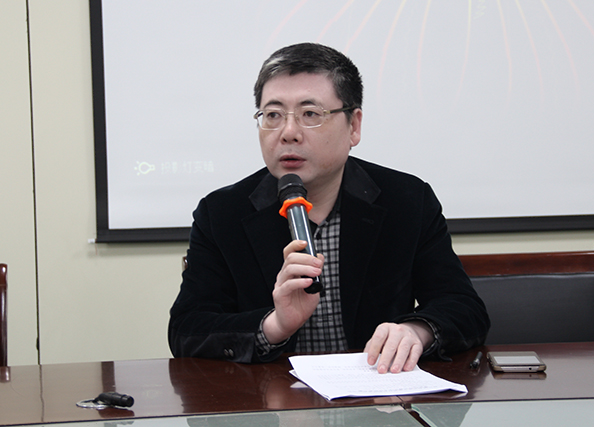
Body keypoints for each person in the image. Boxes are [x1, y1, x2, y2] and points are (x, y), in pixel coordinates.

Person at [169, 42, 489, 373]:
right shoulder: (222, 213)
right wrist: (274, 325)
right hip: (271, 397)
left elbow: (464, 308)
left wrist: (415, 332)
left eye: (310, 114)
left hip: (377, 395)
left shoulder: (406, 200)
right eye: (273, 115)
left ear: (354, 126)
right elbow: (186, 330)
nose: (288, 133)